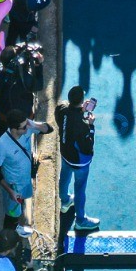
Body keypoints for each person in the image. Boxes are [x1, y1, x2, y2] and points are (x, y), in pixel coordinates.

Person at [0, 112, 49, 232]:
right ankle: (8, 238)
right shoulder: (2, 145)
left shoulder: (28, 128)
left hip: (25, 181)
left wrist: (34, 124)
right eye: (24, 127)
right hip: (14, 186)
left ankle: (19, 225)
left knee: (20, 207)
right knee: (11, 216)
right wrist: (10, 191)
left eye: (26, 124)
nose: (27, 128)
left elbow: (49, 129)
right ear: (13, 129)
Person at [57, 86, 101, 231]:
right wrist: (91, 126)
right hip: (79, 161)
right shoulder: (83, 125)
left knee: (64, 177)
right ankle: (80, 220)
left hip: (65, 154)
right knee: (80, 188)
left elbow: (69, 114)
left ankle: (65, 202)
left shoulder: (61, 109)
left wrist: (80, 110)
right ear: (82, 102)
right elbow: (87, 147)